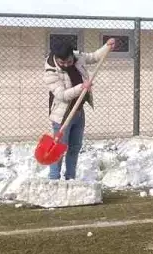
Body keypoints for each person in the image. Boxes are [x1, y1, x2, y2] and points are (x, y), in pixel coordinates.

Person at [43, 38, 117, 181]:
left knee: (75, 147)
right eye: (62, 62)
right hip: (62, 116)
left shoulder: (78, 57)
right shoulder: (50, 71)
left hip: (78, 112)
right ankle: (53, 180)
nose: (65, 65)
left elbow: (94, 57)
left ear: (72, 56)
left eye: (69, 62)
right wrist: (81, 87)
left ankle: (70, 178)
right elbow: (62, 95)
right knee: (57, 150)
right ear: (56, 58)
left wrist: (107, 46)